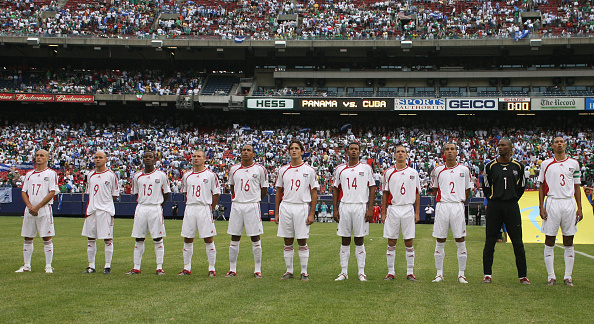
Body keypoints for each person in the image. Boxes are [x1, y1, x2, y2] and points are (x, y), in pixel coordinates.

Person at [482, 138, 530, 285]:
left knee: (517, 242)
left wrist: (512, 198)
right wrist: (493, 199)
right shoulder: (490, 166)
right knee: (490, 241)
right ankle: (487, 274)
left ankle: (523, 276)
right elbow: (485, 186)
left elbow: (521, 186)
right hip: (494, 206)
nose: (500, 148)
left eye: (503, 145)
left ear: (510, 148)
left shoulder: (518, 166)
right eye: (499, 145)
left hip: (511, 206)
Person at [538, 136, 583, 286]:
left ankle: (568, 276)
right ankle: (551, 276)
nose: (559, 144)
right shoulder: (546, 164)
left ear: (565, 145)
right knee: (550, 239)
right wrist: (541, 206)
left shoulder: (574, 164)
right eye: (556, 142)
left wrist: (580, 208)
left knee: (568, 240)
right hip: (552, 202)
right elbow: (541, 186)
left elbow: (577, 187)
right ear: (552, 145)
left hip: (568, 203)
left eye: (561, 142)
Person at [275, 140, 319, 281]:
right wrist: (276, 212)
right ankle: (289, 271)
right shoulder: (282, 170)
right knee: (287, 240)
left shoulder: (309, 170)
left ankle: (304, 272)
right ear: (289, 151)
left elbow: (313, 193)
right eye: (292, 148)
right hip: (286, 206)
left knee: (302, 240)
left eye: (297, 148)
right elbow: (279, 191)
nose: (294, 150)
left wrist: (312, 213)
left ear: (301, 151)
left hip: (301, 206)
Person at [332, 142, 376, 281]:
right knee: (345, 239)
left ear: (359, 152)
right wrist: (334, 208)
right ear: (347, 151)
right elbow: (335, 189)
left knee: (359, 239)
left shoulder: (366, 168)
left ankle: (361, 272)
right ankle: (344, 272)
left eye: (356, 149)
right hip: (345, 206)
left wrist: (370, 208)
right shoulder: (340, 169)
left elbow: (372, 188)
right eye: (351, 149)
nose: (353, 151)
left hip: (360, 206)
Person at [429, 143, 472, 284]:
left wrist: (459, 202)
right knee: (440, 240)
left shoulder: (464, 169)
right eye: (447, 149)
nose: (449, 151)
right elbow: (435, 189)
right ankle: (439, 274)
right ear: (444, 152)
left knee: (460, 240)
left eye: (452, 149)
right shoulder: (437, 170)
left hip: (457, 206)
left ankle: (461, 274)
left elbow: (467, 190)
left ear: (456, 152)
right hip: (442, 206)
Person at [226, 144, 268, 278]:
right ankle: (232, 269)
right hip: (237, 205)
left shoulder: (260, 169)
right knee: (234, 236)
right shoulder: (233, 169)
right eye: (243, 150)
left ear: (253, 154)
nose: (245, 152)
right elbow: (232, 187)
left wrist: (254, 199)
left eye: (248, 150)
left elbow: (264, 189)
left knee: (255, 237)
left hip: (252, 205)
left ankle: (257, 269)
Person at [126, 151, 171, 275]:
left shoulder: (161, 175)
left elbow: (166, 192)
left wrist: (159, 204)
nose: (148, 159)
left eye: (150, 157)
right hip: (141, 207)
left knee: (157, 238)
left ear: (155, 159)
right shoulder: (137, 176)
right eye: (145, 157)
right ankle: (136, 267)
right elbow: (136, 192)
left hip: (155, 207)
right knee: (139, 238)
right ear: (142, 159)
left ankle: (159, 267)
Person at [381, 145, 421, 281]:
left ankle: (410, 272)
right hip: (393, 208)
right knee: (391, 240)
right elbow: (385, 193)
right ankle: (390, 272)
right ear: (394, 155)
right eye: (397, 152)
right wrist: (383, 212)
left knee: (408, 241)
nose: (400, 154)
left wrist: (417, 213)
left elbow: (417, 193)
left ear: (406, 155)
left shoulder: (413, 172)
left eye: (402, 152)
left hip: (408, 208)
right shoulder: (388, 172)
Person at [16, 149, 59, 274]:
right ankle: (26, 265)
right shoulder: (29, 174)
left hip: (44, 209)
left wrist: (38, 206)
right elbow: (24, 191)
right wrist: (30, 206)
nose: (39, 157)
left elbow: (52, 192)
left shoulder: (51, 174)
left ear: (47, 158)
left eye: (42, 156)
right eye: (37, 155)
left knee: (47, 237)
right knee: (28, 237)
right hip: (30, 209)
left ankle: (48, 265)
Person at [178, 150, 220, 277]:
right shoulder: (187, 175)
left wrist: (211, 208)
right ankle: (187, 267)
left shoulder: (210, 175)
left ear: (204, 158)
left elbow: (216, 193)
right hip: (190, 207)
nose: (196, 158)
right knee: (187, 238)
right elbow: (185, 191)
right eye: (194, 156)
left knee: (208, 238)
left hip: (204, 207)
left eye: (199, 156)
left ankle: (212, 268)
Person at [82, 151, 120, 275]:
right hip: (92, 210)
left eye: (100, 157)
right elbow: (89, 192)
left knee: (107, 239)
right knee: (91, 238)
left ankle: (107, 265)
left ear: (105, 159)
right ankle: (91, 265)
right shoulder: (90, 175)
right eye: (96, 157)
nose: (98, 159)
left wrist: (104, 203)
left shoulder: (111, 175)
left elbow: (115, 194)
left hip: (105, 210)